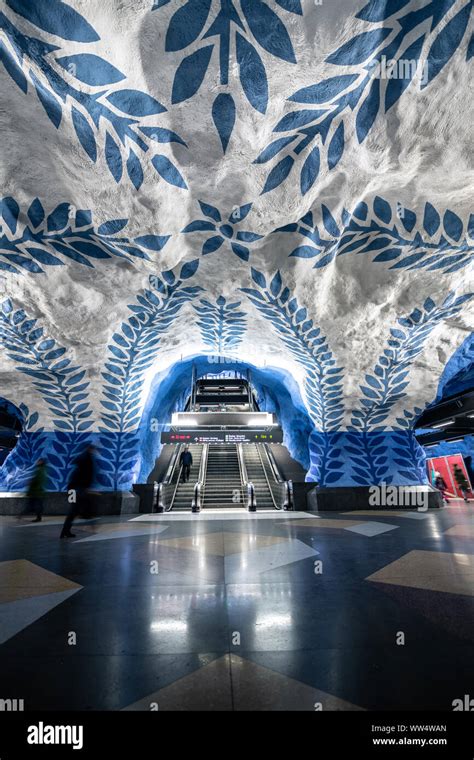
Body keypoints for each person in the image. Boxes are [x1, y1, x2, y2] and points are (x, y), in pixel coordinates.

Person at [60, 445, 95, 539]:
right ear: (90, 449)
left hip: (72, 488)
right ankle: (66, 531)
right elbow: (88, 475)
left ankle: (65, 531)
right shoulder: (88, 460)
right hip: (79, 489)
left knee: (72, 510)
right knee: (75, 509)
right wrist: (87, 487)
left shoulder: (80, 460)